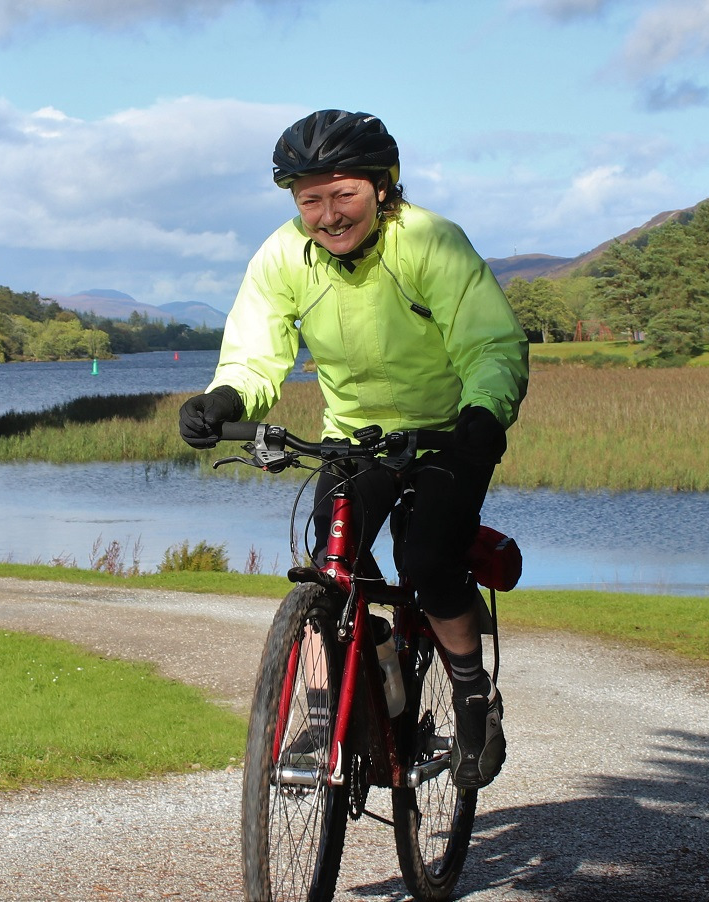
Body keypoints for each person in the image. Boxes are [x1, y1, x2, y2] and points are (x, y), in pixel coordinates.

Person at [177, 109, 529, 789]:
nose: (329, 215)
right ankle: (337, 699)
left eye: (344, 196)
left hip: (449, 430)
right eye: (311, 199)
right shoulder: (284, 256)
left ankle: (472, 695)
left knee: (427, 555)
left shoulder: (428, 242)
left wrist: (485, 412)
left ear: (381, 188)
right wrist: (225, 400)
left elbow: (490, 342)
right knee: (329, 563)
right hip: (355, 436)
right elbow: (256, 351)